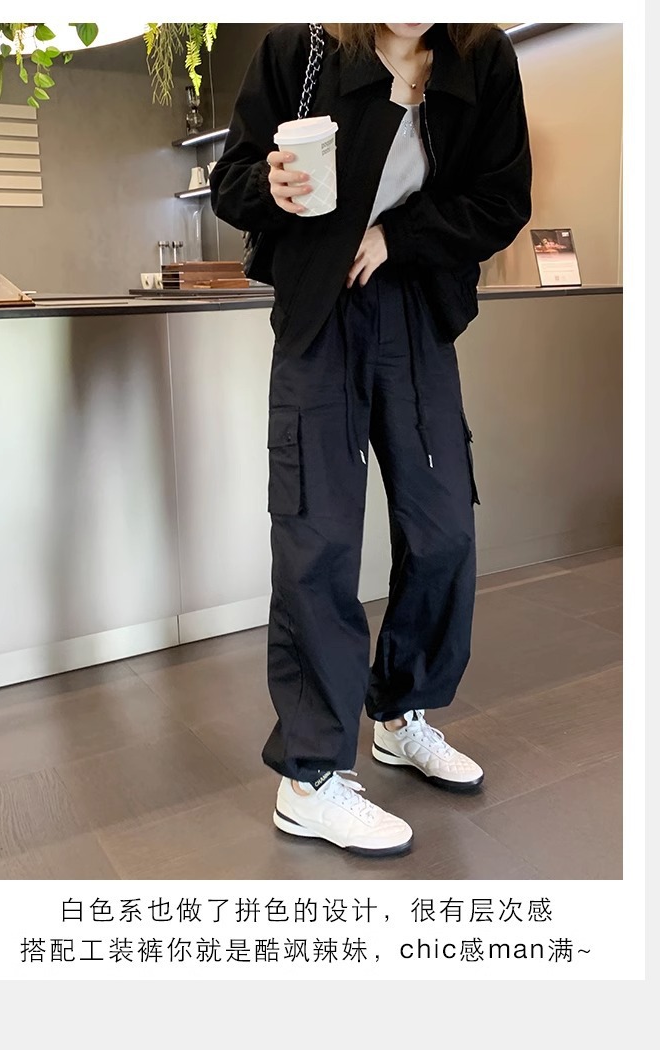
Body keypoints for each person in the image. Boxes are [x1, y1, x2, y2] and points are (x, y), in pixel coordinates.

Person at [210, 22, 532, 857]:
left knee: (444, 525)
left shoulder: (482, 58)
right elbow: (231, 183)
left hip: (415, 303)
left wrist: (398, 238)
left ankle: (399, 712)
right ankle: (310, 776)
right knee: (317, 536)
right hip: (322, 311)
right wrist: (271, 185)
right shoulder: (302, 47)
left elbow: (502, 198)